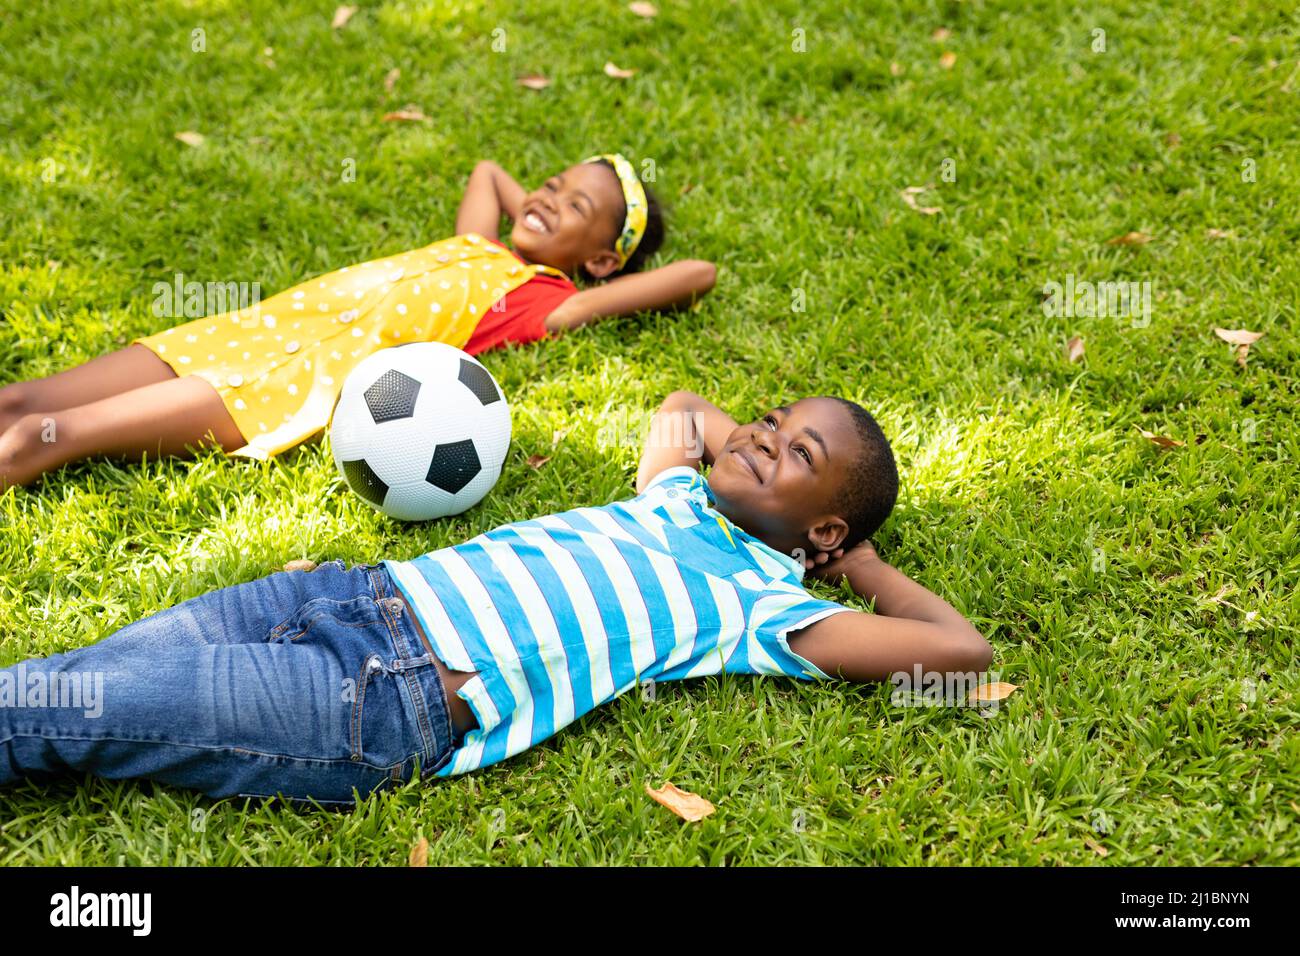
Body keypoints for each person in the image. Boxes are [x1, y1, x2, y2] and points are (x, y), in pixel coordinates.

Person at [0, 390, 992, 806]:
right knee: (63, 687)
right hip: (345, 593)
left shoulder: (762, 606)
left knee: (63, 709)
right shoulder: (675, 489)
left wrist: (843, 557)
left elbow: (956, 651)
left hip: (385, 699)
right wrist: (759, 458)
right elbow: (684, 411)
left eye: (796, 452)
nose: (762, 437)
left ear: (824, 527)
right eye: (771, 420)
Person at [0, 154, 716, 486]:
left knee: (49, 435)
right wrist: (548, 208)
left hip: (294, 380)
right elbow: (488, 172)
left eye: (576, 210)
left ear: (598, 261)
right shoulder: (476, 242)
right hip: (254, 327)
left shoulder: (546, 300)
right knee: (22, 399)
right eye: (554, 185)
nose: (549, 200)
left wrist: (593, 253)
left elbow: (696, 276)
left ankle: (30, 449)